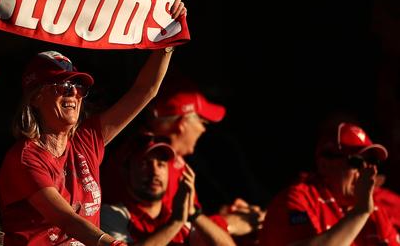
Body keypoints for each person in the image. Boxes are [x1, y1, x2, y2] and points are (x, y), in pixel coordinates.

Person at [0, 0, 185, 246]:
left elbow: (145, 90)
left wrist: (168, 38)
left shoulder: (86, 139)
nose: (73, 92)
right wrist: (113, 244)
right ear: (35, 97)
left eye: (77, 86)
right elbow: (67, 219)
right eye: (62, 84)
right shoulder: (24, 158)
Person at [135, 87, 263, 244]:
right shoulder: (142, 165)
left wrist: (226, 215)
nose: (204, 129)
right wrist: (226, 224)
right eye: (203, 122)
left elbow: (188, 222)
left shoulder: (177, 163)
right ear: (182, 124)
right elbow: (178, 235)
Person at [258, 122, 400, 246]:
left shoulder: (375, 211)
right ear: (324, 165)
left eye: (371, 162)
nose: (365, 171)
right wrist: (360, 212)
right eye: (356, 162)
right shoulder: (296, 199)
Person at [100, 133, 197, 245]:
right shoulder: (111, 215)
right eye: (144, 163)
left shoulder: (183, 219)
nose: (154, 172)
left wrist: (194, 214)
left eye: (161, 164)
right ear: (126, 170)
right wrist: (175, 223)